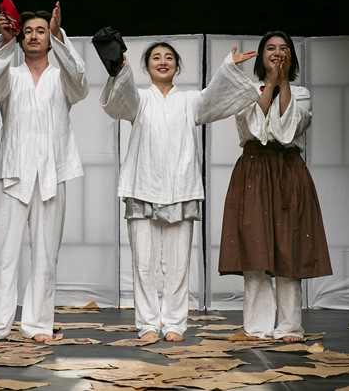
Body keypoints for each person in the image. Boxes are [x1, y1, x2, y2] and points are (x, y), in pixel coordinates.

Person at [99, 40, 259, 342]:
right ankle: (147, 324)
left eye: (169, 57)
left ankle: (174, 323)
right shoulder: (140, 99)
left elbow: (215, 97)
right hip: (142, 184)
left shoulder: (190, 101)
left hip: (180, 187)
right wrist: (120, 70)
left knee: (178, 263)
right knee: (143, 263)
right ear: (146, 66)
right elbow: (122, 98)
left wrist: (228, 68)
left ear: (177, 66)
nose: (162, 62)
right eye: (155, 58)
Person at [0, 1, 88, 343]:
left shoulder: (61, 78)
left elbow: (81, 81)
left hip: (52, 174)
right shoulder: (9, 76)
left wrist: (59, 34)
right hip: (12, 172)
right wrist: (3, 41)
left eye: (41, 31)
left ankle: (39, 324)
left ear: (50, 39)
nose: (34, 36)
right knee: (2, 253)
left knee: (46, 254)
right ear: (21, 41)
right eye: (28, 33)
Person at [218, 30, 332, 343]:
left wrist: (282, 83)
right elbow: (253, 127)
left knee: (288, 247)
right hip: (254, 171)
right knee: (255, 248)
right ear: (261, 55)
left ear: (291, 57)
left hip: (287, 171)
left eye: (283, 48)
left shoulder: (301, 92)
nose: (277, 52)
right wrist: (270, 82)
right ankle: (257, 326)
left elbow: (287, 130)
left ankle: (289, 327)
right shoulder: (247, 91)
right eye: (270, 48)